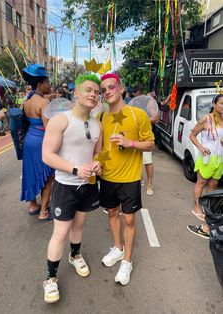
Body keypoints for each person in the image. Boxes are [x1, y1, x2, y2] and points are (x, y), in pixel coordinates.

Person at [41, 74, 102, 303]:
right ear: (75, 92)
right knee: (60, 232)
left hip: (87, 186)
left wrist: (98, 163)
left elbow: (98, 153)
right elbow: (47, 155)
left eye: (96, 92)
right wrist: (75, 170)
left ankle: (75, 255)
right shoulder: (61, 120)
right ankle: (50, 279)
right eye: (88, 90)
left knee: (79, 224)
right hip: (66, 186)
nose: (93, 95)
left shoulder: (98, 124)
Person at [99, 73, 154, 285]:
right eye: (103, 90)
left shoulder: (137, 114)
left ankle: (127, 261)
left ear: (121, 89)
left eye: (111, 87)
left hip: (130, 177)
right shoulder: (102, 117)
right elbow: (104, 148)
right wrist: (98, 162)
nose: (107, 92)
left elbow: (150, 143)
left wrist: (130, 142)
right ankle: (118, 248)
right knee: (112, 213)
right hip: (108, 176)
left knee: (129, 219)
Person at [20, 64, 54, 221]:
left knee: (31, 173)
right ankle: (44, 212)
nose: (49, 85)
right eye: (47, 82)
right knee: (48, 177)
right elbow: (49, 129)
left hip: (29, 141)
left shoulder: (27, 100)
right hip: (41, 142)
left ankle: (33, 206)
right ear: (40, 84)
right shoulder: (44, 103)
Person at [187, 94, 223, 239]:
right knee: (201, 183)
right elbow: (192, 135)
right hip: (207, 158)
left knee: (213, 185)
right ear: (214, 104)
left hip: (219, 159)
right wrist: (201, 148)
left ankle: (208, 209)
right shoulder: (206, 119)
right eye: (221, 103)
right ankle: (197, 208)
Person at [132, 85, 159, 195]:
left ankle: (150, 184)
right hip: (134, 135)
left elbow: (156, 118)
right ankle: (140, 179)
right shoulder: (133, 102)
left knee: (147, 161)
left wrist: (142, 119)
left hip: (145, 136)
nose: (134, 95)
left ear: (140, 92)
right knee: (135, 159)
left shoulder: (149, 102)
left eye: (135, 93)